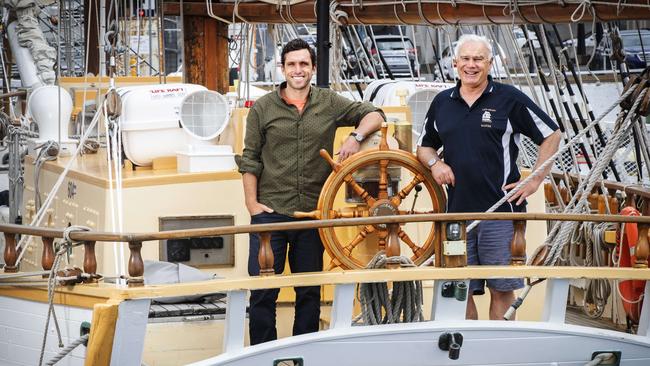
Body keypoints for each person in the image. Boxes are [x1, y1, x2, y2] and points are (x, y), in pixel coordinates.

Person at [237, 38, 385, 344]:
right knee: (263, 291)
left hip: (313, 214)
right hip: (270, 214)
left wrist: (356, 137)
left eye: (304, 64)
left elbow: (375, 114)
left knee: (309, 291)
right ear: (283, 68)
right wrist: (252, 205)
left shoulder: (329, 102)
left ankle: (302, 355)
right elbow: (249, 158)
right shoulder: (263, 108)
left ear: (313, 68)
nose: (298, 70)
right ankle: (264, 356)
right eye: (291, 64)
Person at [416, 34, 561, 320]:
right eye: (466, 59)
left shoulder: (509, 99)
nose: (472, 65)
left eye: (478, 59)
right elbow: (424, 146)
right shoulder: (442, 102)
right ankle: (468, 351)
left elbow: (552, 134)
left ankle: (499, 351)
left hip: (501, 215)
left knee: (502, 289)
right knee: (459, 290)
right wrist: (435, 164)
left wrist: (535, 180)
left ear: (490, 63)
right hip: (456, 217)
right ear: (455, 63)